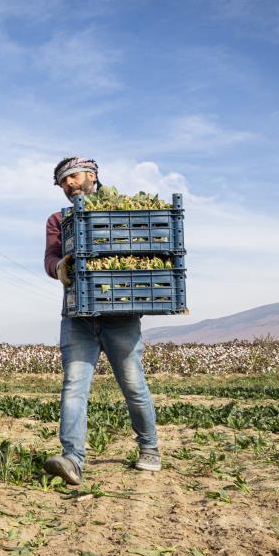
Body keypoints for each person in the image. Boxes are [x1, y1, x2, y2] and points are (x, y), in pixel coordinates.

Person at [41, 156, 161, 486]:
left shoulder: (121, 211)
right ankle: (72, 460)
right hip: (77, 317)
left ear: (92, 175)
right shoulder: (58, 220)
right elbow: (51, 258)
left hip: (119, 318)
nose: (69, 184)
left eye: (73, 177)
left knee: (133, 385)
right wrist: (58, 267)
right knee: (74, 387)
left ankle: (149, 448)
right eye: (63, 181)